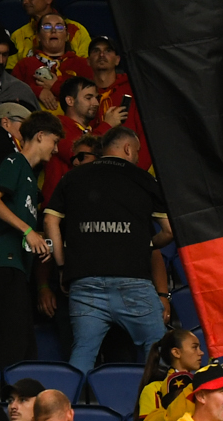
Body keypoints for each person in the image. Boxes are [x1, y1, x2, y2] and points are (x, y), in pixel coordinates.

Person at [42, 126, 170, 369]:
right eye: (137, 151)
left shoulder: (72, 177)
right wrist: (142, 244)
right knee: (158, 348)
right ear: (127, 148)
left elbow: (50, 221)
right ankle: (161, 405)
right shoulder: (143, 178)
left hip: (84, 281)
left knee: (82, 353)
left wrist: (61, 266)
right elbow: (169, 231)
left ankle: (71, 405)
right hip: (133, 281)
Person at [0, 111, 61, 367]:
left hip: (19, 266)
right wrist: (28, 231)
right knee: (9, 344)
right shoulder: (14, 162)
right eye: (54, 141)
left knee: (24, 345)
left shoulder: (30, 176)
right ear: (40, 136)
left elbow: (20, 220)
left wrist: (38, 240)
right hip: (3, 262)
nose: (57, 149)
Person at [44, 75, 116, 199]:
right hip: (59, 207)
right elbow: (80, 155)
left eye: (96, 98)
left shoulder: (89, 131)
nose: (96, 103)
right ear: (70, 101)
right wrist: (107, 125)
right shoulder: (57, 126)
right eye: (89, 98)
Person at [85, 37, 149, 169]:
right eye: (96, 51)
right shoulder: (82, 96)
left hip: (130, 168)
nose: (102, 55)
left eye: (108, 50)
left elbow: (146, 135)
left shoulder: (133, 89)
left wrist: (136, 171)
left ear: (118, 60)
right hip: (95, 169)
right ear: (88, 61)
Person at [14, 13, 94, 114]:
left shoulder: (83, 65)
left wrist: (55, 86)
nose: (53, 30)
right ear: (38, 36)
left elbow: (91, 99)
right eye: (47, 27)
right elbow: (11, 93)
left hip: (74, 126)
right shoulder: (25, 64)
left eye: (59, 27)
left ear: (66, 36)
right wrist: (36, 91)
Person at [10, 0, 91, 60]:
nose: (25, 2)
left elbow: (86, 68)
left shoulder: (77, 30)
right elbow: (11, 71)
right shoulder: (17, 35)